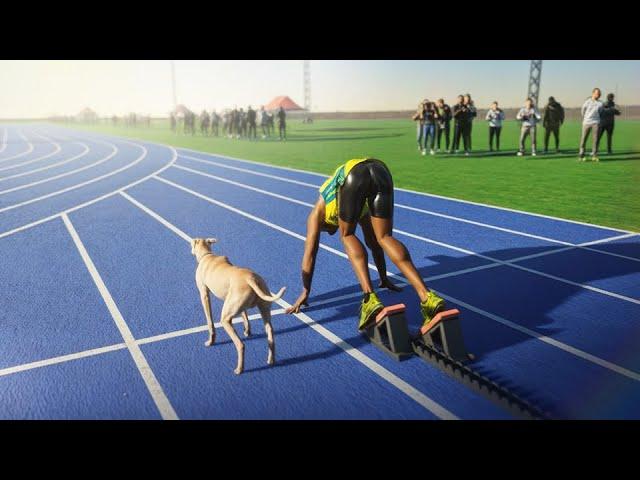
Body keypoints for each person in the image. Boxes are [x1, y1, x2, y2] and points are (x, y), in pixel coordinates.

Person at [285, 158, 447, 332]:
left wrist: (305, 291)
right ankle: (427, 297)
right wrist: (383, 278)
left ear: (324, 224)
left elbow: (309, 255)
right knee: (384, 237)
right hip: (380, 170)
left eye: (330, 229)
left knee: (347, 235)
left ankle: (369, 298)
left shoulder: (316, 214)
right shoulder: (356, 209)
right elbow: (374, 244)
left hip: (355, 175)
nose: (333, 231)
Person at [579, 88, 604, 161]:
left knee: (595, 140)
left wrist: (598, 120)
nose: (598, 95)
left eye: (599, 94)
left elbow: (601, 112)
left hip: (596, 123)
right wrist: (585, 118)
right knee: (583, 139)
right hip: (586, 122)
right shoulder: (587, 102)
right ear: (593, 93)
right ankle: (581, 155)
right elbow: (582, 111)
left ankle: (594, 155)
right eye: (597, 93)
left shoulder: (601, 103)